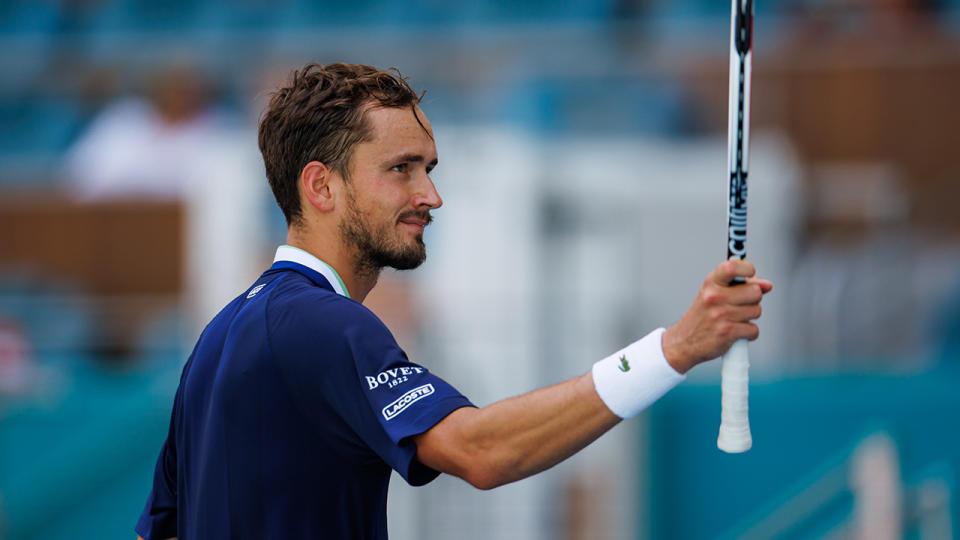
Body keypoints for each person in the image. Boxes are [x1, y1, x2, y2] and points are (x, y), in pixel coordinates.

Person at [135, 63, 772, 540]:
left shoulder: (215, 341)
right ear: (321, 186)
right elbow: (481, 451)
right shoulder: (324, 325)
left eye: (429, 168)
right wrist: (676, 348)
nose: (431, 196)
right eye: (401, 169)